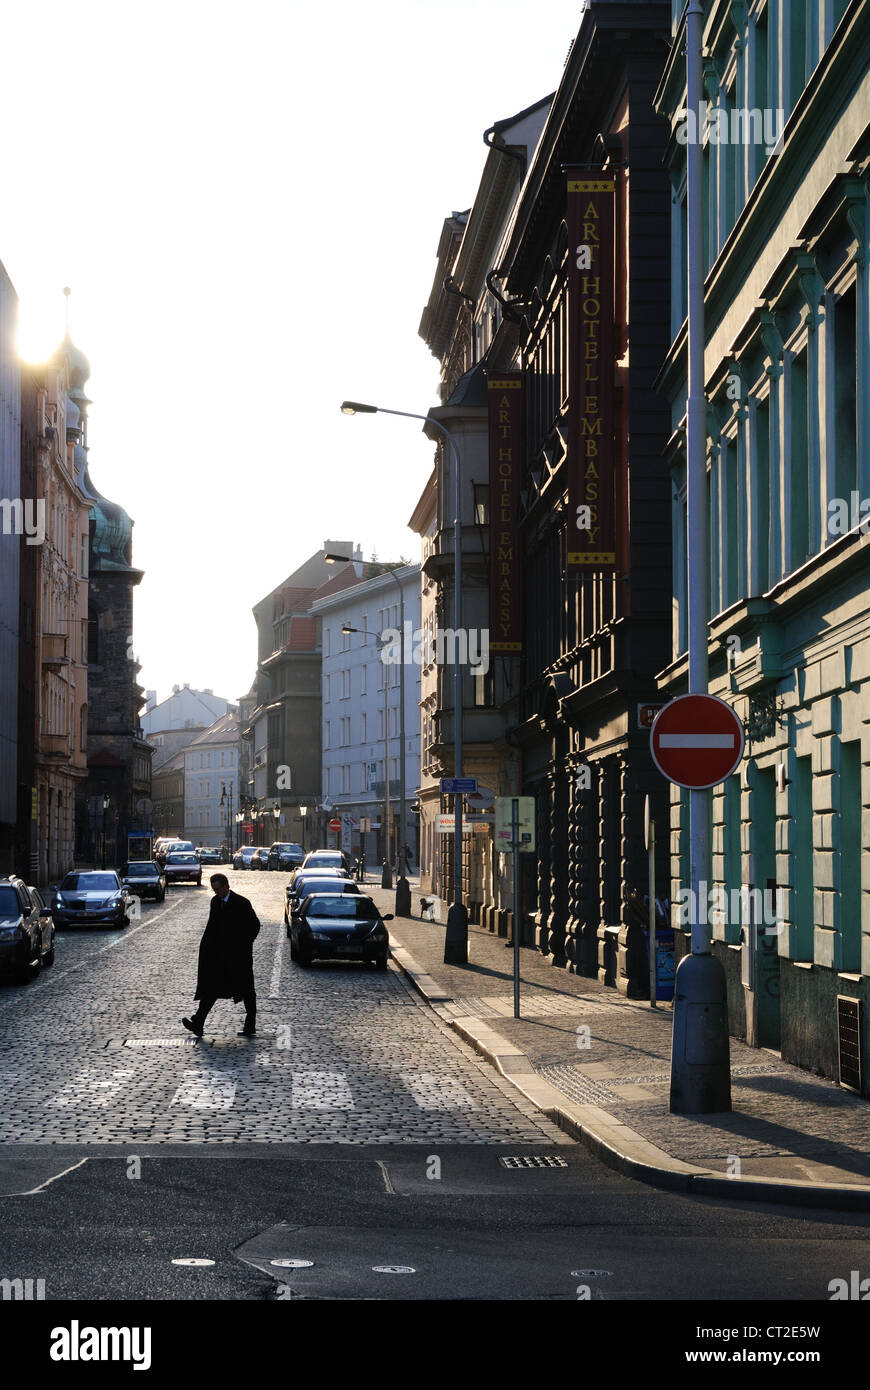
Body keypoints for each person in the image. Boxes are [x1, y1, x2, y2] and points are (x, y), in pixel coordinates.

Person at [182, 873, 260, 1038]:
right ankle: (198, 1023)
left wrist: (244, 945)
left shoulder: (242, 903)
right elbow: (212, 927)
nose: (217, 893)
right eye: (214, 890)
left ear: (226, 886)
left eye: (219, 889)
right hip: (220, 958)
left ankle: (250, 1025)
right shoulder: (215, 902)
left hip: (239, 958)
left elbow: (254, 926)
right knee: (211, 989)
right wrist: (206, 949)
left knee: (247, 991)